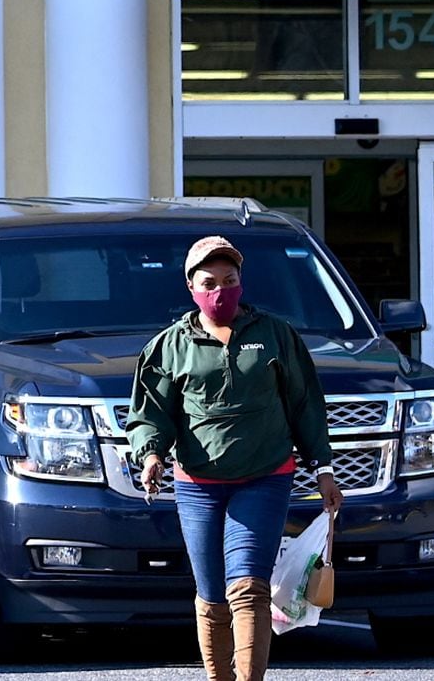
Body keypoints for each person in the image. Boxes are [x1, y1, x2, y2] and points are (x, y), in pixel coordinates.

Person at [127, 236, 341, 681]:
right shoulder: (168, 347)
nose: (220, 291)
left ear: (242, 283)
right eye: (209, 282)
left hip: (264, 477)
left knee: (248, 588)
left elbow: (305, 404)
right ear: (191, 287)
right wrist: (151, 456)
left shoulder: (274, 334)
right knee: (211, 595)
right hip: (197, 484)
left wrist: (323, 468)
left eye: (230, 280)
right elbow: (151, 413)